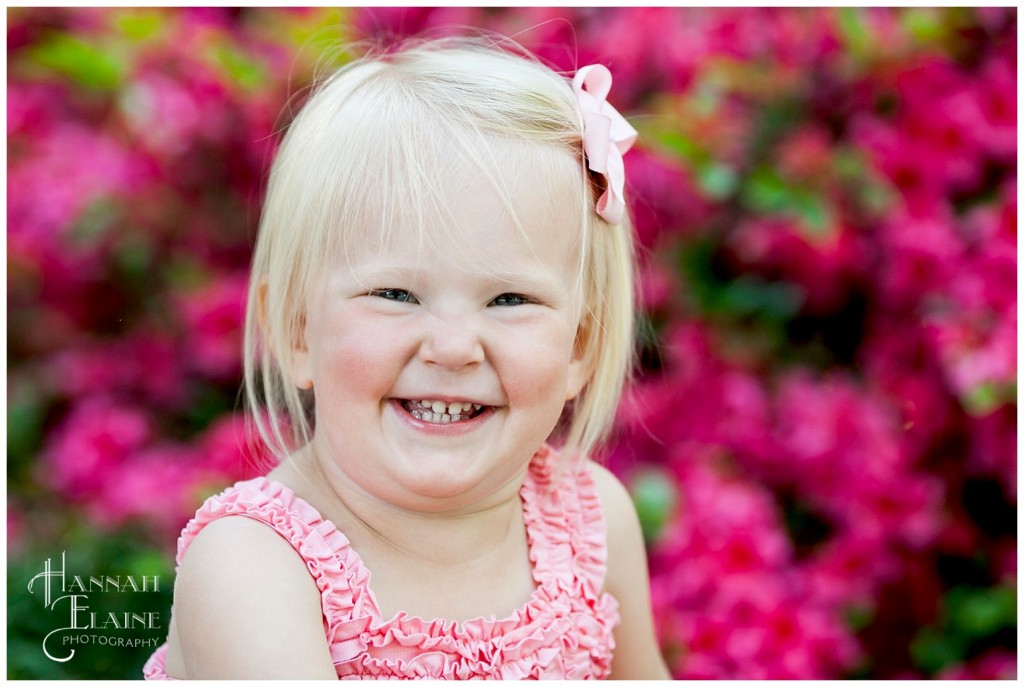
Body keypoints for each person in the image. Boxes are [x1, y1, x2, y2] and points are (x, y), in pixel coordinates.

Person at [144, 35, 671, 679]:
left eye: (509, 299)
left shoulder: (592, 521)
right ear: (297, 330)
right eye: (395, 294)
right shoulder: (256, 567)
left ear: (579, 348)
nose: (452, 347)